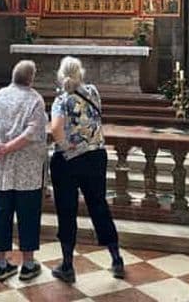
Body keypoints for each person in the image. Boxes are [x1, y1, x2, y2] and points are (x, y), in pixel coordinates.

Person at [49, 56, 124, 283]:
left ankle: (67, 265)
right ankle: (116, 258)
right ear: (81, 72)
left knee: (67, 210)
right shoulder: (92, 91)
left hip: (69, 161)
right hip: (95, 156)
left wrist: (66, 148)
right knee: (99, 206)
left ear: (61, 75)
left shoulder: (61, 100)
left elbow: (55, 128)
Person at [0, 60, 48, 282]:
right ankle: (27, 265)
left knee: (1, 213)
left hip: (2, 166)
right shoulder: (34, 99)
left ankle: (0, 265)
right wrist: (7, 148)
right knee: (28, 215)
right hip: (27, 168)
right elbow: (32, 132)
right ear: (31, 78)